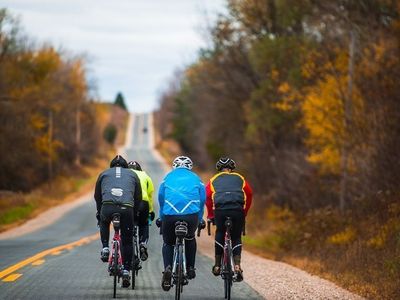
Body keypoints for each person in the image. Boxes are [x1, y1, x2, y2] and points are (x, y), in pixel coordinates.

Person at [158, 155, 206, 291]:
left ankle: (167, 267)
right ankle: (190, 268)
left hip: (169, 214)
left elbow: (161, 198)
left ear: (174, 166)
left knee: (168, 242)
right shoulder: (197, 178)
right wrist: (200, 218)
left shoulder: (167, 178)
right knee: (190, 238)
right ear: (190, 167)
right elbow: (202, 200)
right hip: (191, 215)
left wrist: (162, 216)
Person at [94, 155, 142, 288]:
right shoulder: (132, 174)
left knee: (104, 222)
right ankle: (126, 269)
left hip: (107, 207)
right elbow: (138, 197)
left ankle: (105, 247)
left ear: (111, 166)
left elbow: (97, 196)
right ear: (125, 166)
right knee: (127, 239)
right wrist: (134, 212)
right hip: (127, 208)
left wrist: (100, 212)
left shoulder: (103, 174)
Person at [205, 157, 252, 282]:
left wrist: (210, 215)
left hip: (220, 211)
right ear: (231, 169)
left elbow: (208, 197)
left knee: (220, 232)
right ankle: (237, 266)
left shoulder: (213, 180)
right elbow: (249, 193)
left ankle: (217, 265)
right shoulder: (240, 178)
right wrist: (244, 212)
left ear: (219, 169)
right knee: (236, 236)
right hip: (238, 211)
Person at [128, 160, 155, 261]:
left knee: (126, 225)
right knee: (144, 223)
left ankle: (128, 247)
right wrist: (150, 211)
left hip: (129, 203)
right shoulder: (145, 175)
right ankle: (143, 243)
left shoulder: (125, 175)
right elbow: (150, 194)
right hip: (143, 203)